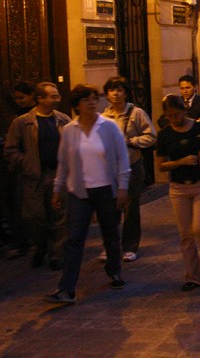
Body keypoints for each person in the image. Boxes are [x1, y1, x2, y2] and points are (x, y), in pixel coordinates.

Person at [46, 84, 129, 304]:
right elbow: (63, 163)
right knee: (74, 239)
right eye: (86, 100)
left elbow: (123, 159)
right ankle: (67, 288)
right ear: (77, 105)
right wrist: (57, 189)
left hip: (106, 190)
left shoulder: (109, 127)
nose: (92, 103)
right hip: (79, 192)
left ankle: (114, 270)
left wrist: (123, 186)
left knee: (110, 233)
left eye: (94, 98)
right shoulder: (70, 130)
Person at [4, 82, 71, 268]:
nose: (58, 99)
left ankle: (56, 253)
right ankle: (40, 246)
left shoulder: (63, 119)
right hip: (34, 177)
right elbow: (10, 149)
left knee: (59, 215)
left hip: (57, 175)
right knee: (34, 216)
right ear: (40, 98)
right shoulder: (23, 122)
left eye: (57, 95)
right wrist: (24, 162)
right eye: (53, 96)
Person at [156, 94, 200, 292]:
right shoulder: (165, 134)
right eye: (170, 116)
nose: (175, 119)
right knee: (185, 234)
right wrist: (180, 162)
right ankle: (193, 275)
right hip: (178, 188)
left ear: (184, 110)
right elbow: (161, 165)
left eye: (178, 114)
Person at [101, 77, 156, 263]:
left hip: (132, 165)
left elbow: (151, 136)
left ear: (126, 92)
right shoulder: (103, 116)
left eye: (119, 90)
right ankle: (111, 245)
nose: (115, 94)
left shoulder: (136, 113)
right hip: (111, 169)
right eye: (111, 90)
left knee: (131, 207)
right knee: (110, 207)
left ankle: (130, 246)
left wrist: (132, 141)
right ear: (107, 94)